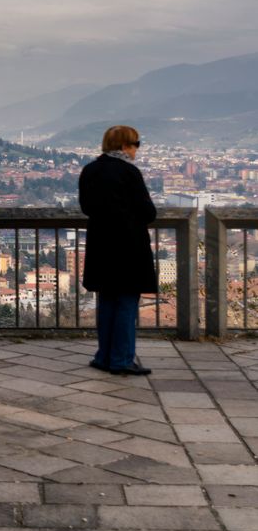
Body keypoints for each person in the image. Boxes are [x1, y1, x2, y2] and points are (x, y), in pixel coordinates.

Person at [79, 125, 157, 375]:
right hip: (128, 246)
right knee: (126, 303)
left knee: (107, 302)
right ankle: (122, 359)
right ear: (124, 145)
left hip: (101, 245)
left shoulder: (90, 170)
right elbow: (148, 212)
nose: (137, 149)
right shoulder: (129, 173)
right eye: (136, 144)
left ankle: (104, 356)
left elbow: (86, 207)